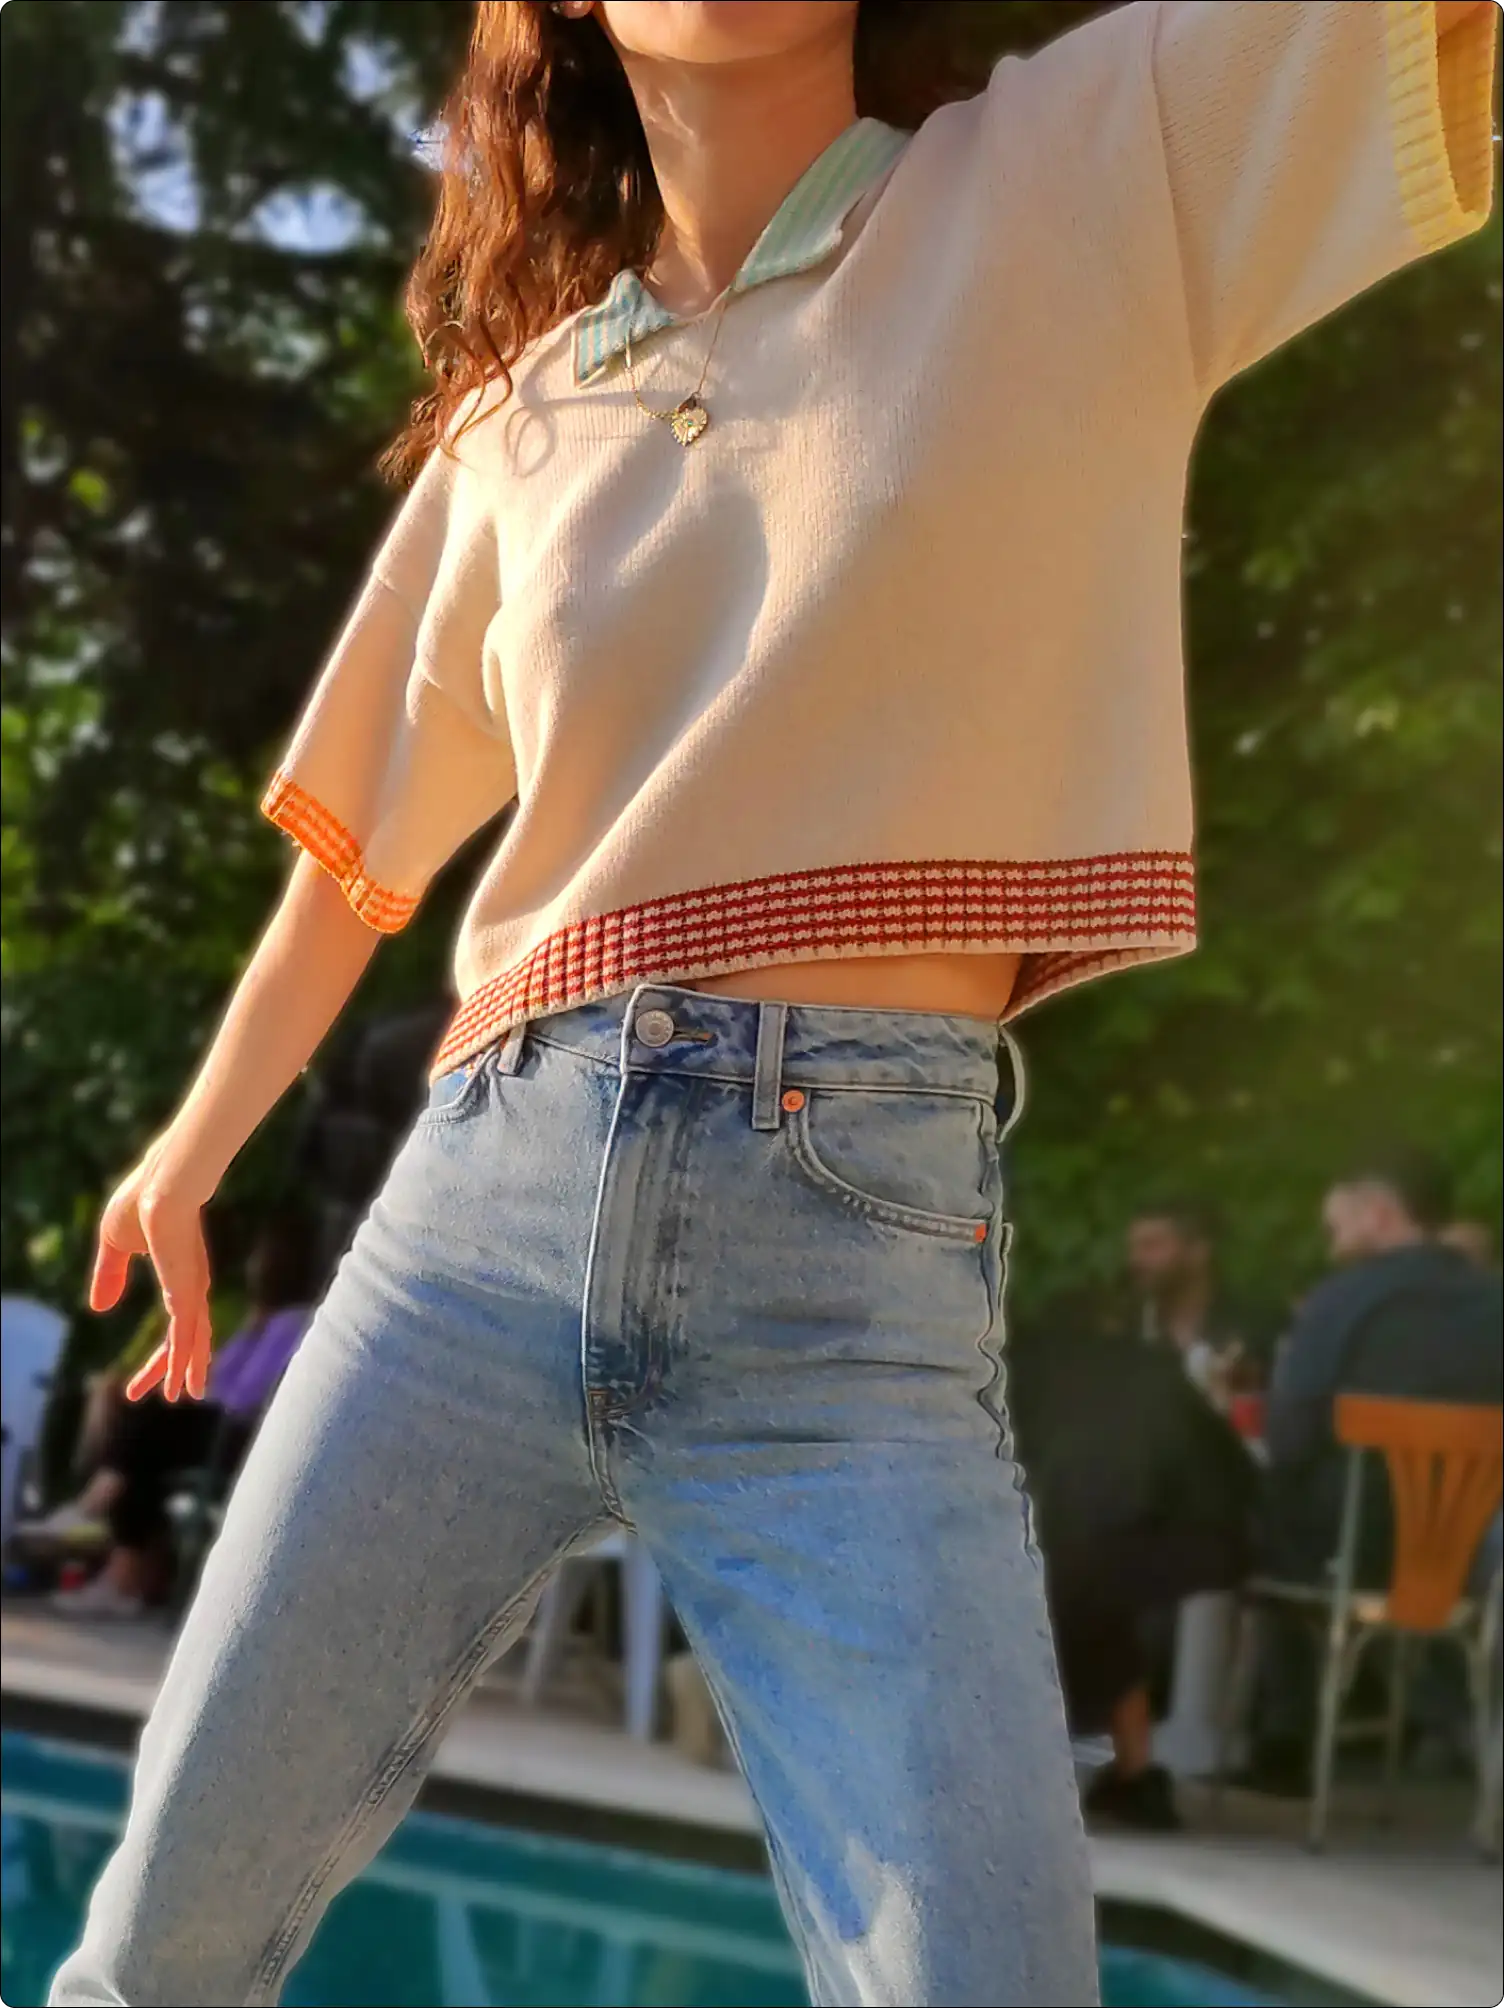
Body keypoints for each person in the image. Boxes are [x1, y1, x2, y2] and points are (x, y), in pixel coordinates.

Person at [49, 4, 1496, 2003]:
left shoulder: (1087, 165)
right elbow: (346, 867)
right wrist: (191, 1144)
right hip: (472, 1229)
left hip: (850, 1271)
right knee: (153, 1954)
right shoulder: (520, 412)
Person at [1245, 1152, 1504, 1790]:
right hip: (1469, 1557)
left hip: (1346, 1551)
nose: (1332, 1244)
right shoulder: (1494, 1301)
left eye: (1338, 1227)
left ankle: (1283, 1740)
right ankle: (1443, 1725)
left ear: (1381, 1215)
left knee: (1253, 1516)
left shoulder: (1342, 1300)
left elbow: (1290, 1435)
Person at [1010, 1291, 1258, 1833]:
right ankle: (1133, 1775)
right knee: (1093, 1597)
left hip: (1095, 1544)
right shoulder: (1147, 1369)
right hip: (1204, 1537)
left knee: (1069, 1589)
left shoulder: (1024, 1371)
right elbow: (1230, 1467)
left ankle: (1118, 1773)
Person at [38, 1213, 318, 1619]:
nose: (253, 1265)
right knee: (144, 1448)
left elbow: (243, 1397)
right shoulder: (261, 1320)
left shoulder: (293, 1324)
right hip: (214, 1425)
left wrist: (193, 1391)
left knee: (152, 1421)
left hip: (239, 1436)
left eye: (261, 1256)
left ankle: (94, 1517)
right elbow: (219, 1373)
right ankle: (120, 1575)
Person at [1125, 1202, 1260, 1409]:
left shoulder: (1254, 1325)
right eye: (1133, 1248)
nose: (1135, 1259)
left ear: (1199, 1250)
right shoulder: (1124, 1330)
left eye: (1151, 1246)